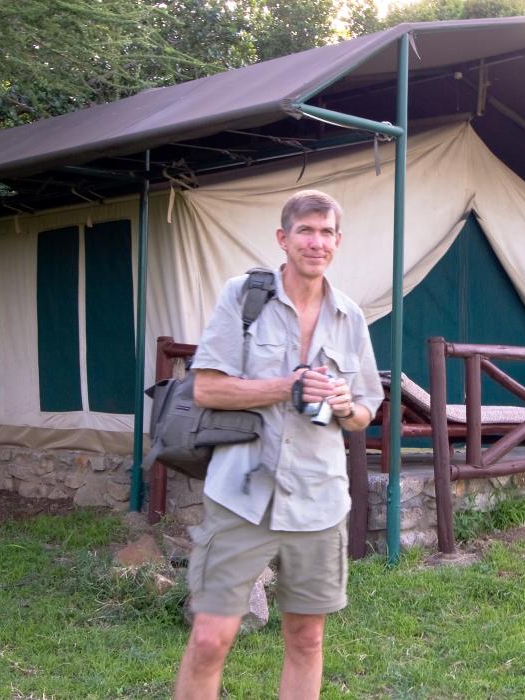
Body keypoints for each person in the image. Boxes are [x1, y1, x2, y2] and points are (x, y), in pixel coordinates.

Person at [174, 189, 383, 699]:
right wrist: (284, 387)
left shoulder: (350, 316)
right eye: (306, 231)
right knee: (209, 638)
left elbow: (365, 412)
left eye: (326, 232)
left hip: (319, 500)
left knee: (307, 639)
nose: (316, 242)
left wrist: (342, 404)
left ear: (338, 241)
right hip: (243, 499)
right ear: (283, 238)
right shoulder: (244, 297)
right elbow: (206, 388)